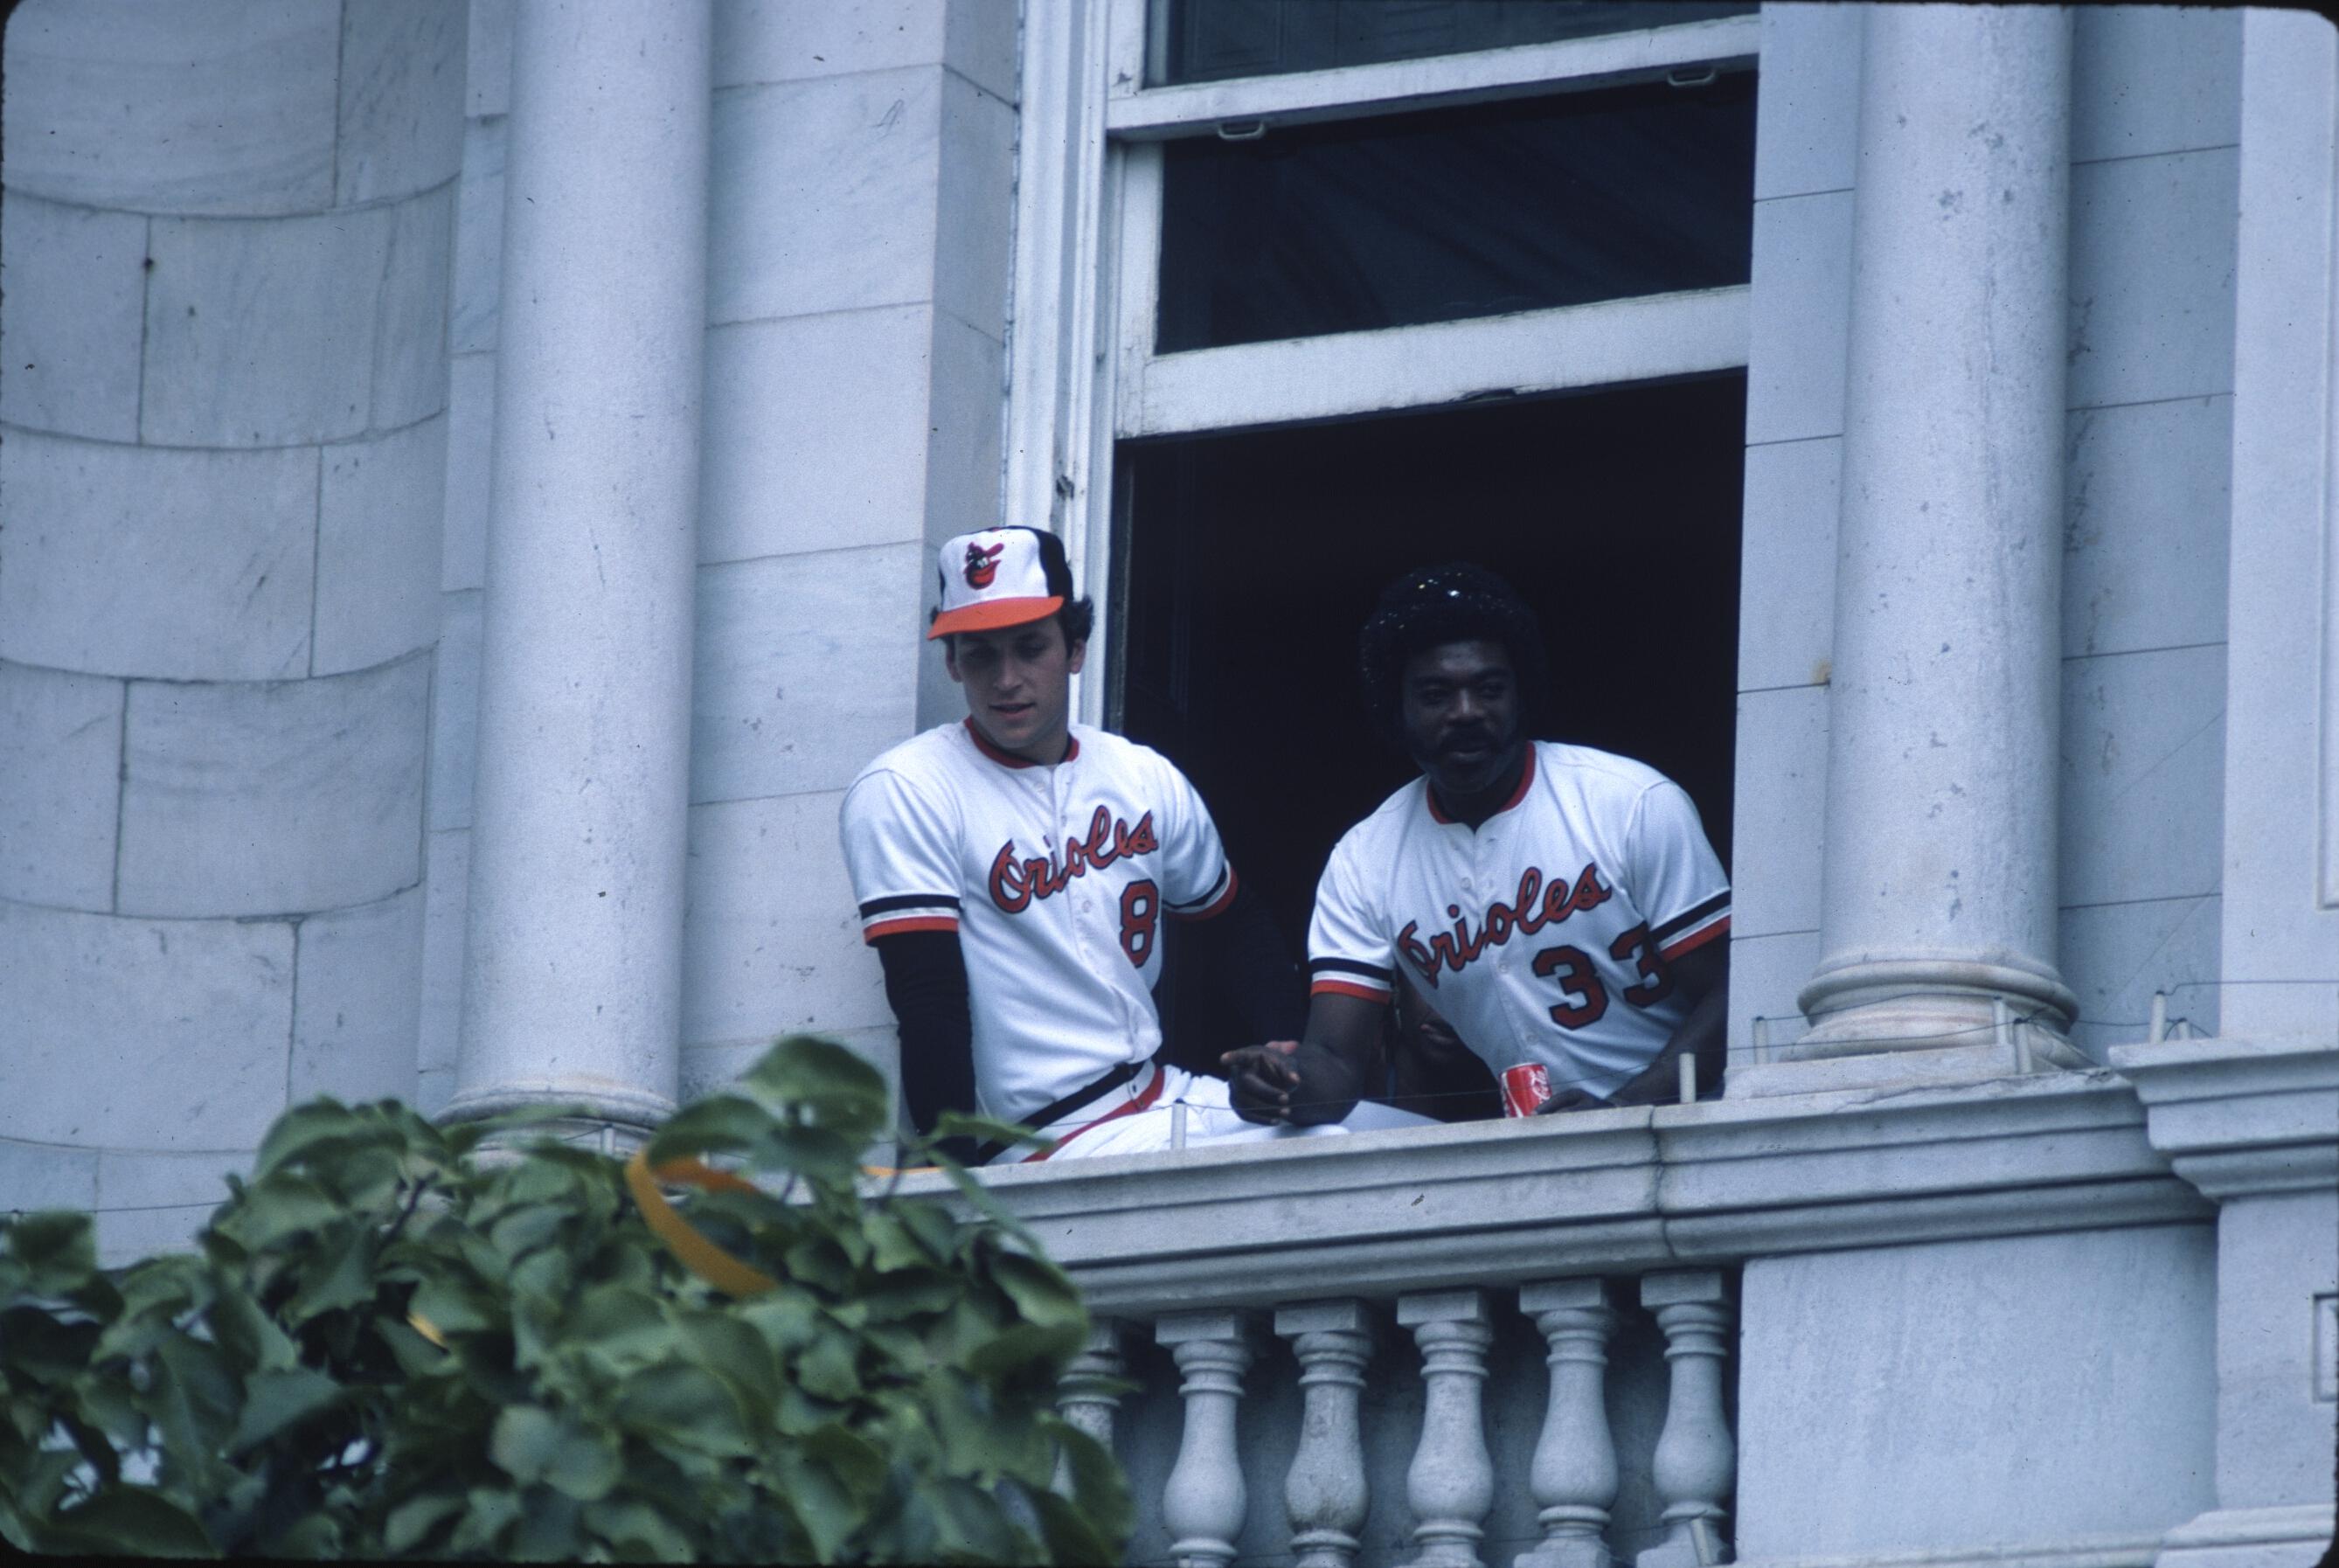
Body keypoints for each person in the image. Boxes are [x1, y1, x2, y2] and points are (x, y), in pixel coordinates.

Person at [840, 526, 1427, 1164]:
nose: (1006, 678)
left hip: (1158, 1095)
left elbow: (1234, 922)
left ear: (1076, 647)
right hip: (1042, 1139)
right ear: (953, 662)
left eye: (1029, 646)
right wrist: (950, 1180)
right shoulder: (908, 787)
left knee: (1416, 1140)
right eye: (980, 654)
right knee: (1348, 1164)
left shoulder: (1137, 773)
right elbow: (927, 999)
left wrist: (1292, 1054)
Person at [1224, 562, 1731, 1127]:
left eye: (1488, 689)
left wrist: (1626, 1109)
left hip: (1691, 1119)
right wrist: (1282, 1086)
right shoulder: (1364, 859)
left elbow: (1732, 992)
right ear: (1397, 709)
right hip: (1537, 1139)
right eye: (1436, 694)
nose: (1466, 713)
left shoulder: (1630, 802)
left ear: (1522, 693)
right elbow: (1336, 1059)